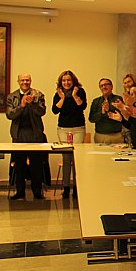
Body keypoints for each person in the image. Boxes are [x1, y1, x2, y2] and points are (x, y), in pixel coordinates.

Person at [5, 73, 46, 200]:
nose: (25, 82)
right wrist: (21, 106)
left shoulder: (38, 95)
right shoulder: (12, 96)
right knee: (19, 165)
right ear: (18, 81)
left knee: (36, 165)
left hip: (35, 134)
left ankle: (37, 192)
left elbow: (42, 112)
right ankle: (20, 192)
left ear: (30, 81)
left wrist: (32, 104)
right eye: (22, 80)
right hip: (19, 134)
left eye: (27, 80)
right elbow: (10, 115)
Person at [52, 70, 87, 198]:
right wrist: (62, 98)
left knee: (76, 159)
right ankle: (66, 187)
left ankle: (76, 188)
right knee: (66, 158)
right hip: (63, 129)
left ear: (73, 81)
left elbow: (82, 106)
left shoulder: (79, 91)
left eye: (68, 80)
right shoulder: (59, 93)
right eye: (64, 80)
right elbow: (55, 110)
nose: (66, 82)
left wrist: (74, 95)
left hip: (78, 128)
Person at [88, 78, 123, 144]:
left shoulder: (118, 99)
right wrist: (102, 112)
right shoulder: (96, 101)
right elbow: (91, 119)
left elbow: (122, 116)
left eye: (106, 84)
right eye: (101, 86)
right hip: (100, 135)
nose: (104, 87)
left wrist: (108, 109)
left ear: (111, 86)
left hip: (116, 136)